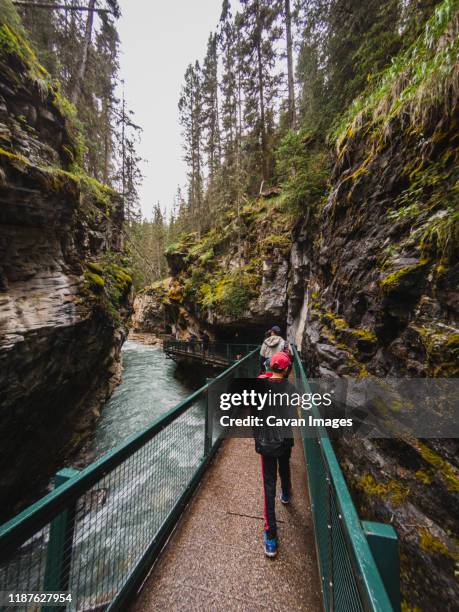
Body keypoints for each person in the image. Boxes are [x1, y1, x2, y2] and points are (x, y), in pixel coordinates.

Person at [253, 352, 295, 558]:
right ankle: (286, 493)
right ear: (286, 370)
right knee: (285, 467)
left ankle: (271, 537)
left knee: (268, 487)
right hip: (284, 439)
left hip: (267, 442)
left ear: (270, 366)